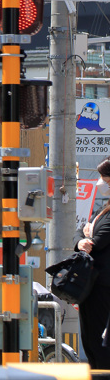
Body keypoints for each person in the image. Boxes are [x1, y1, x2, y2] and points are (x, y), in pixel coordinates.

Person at [76, 158, 110, 369]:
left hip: (104, 286)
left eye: (105, 180)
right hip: (92, 286)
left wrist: (89, 238)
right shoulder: (104, 210)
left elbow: (98, 241)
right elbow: (81, 231)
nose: (101, 184)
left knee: (100, 342)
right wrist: (81, 239)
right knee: (91, 339)